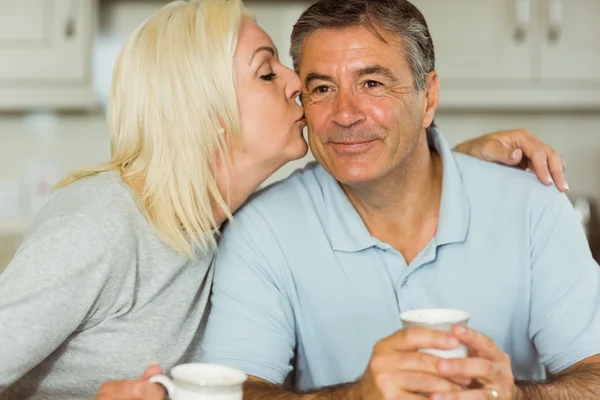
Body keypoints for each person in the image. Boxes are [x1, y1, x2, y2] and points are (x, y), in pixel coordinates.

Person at [0, 1, 565, 399]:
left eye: (285, 67)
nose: (300, 85)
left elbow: (390, 164)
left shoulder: (223, 222)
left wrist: (453, 162)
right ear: (210, 113)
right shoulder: (103, 224)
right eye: (267, 72)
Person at [199, 0, 600, 399]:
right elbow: (230, 393)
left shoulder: (533, 208)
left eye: (372, 83)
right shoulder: (262, 229)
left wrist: (517, 396)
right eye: (322, 88)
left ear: (427, 97)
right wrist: (357, 397)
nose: (344, 114)